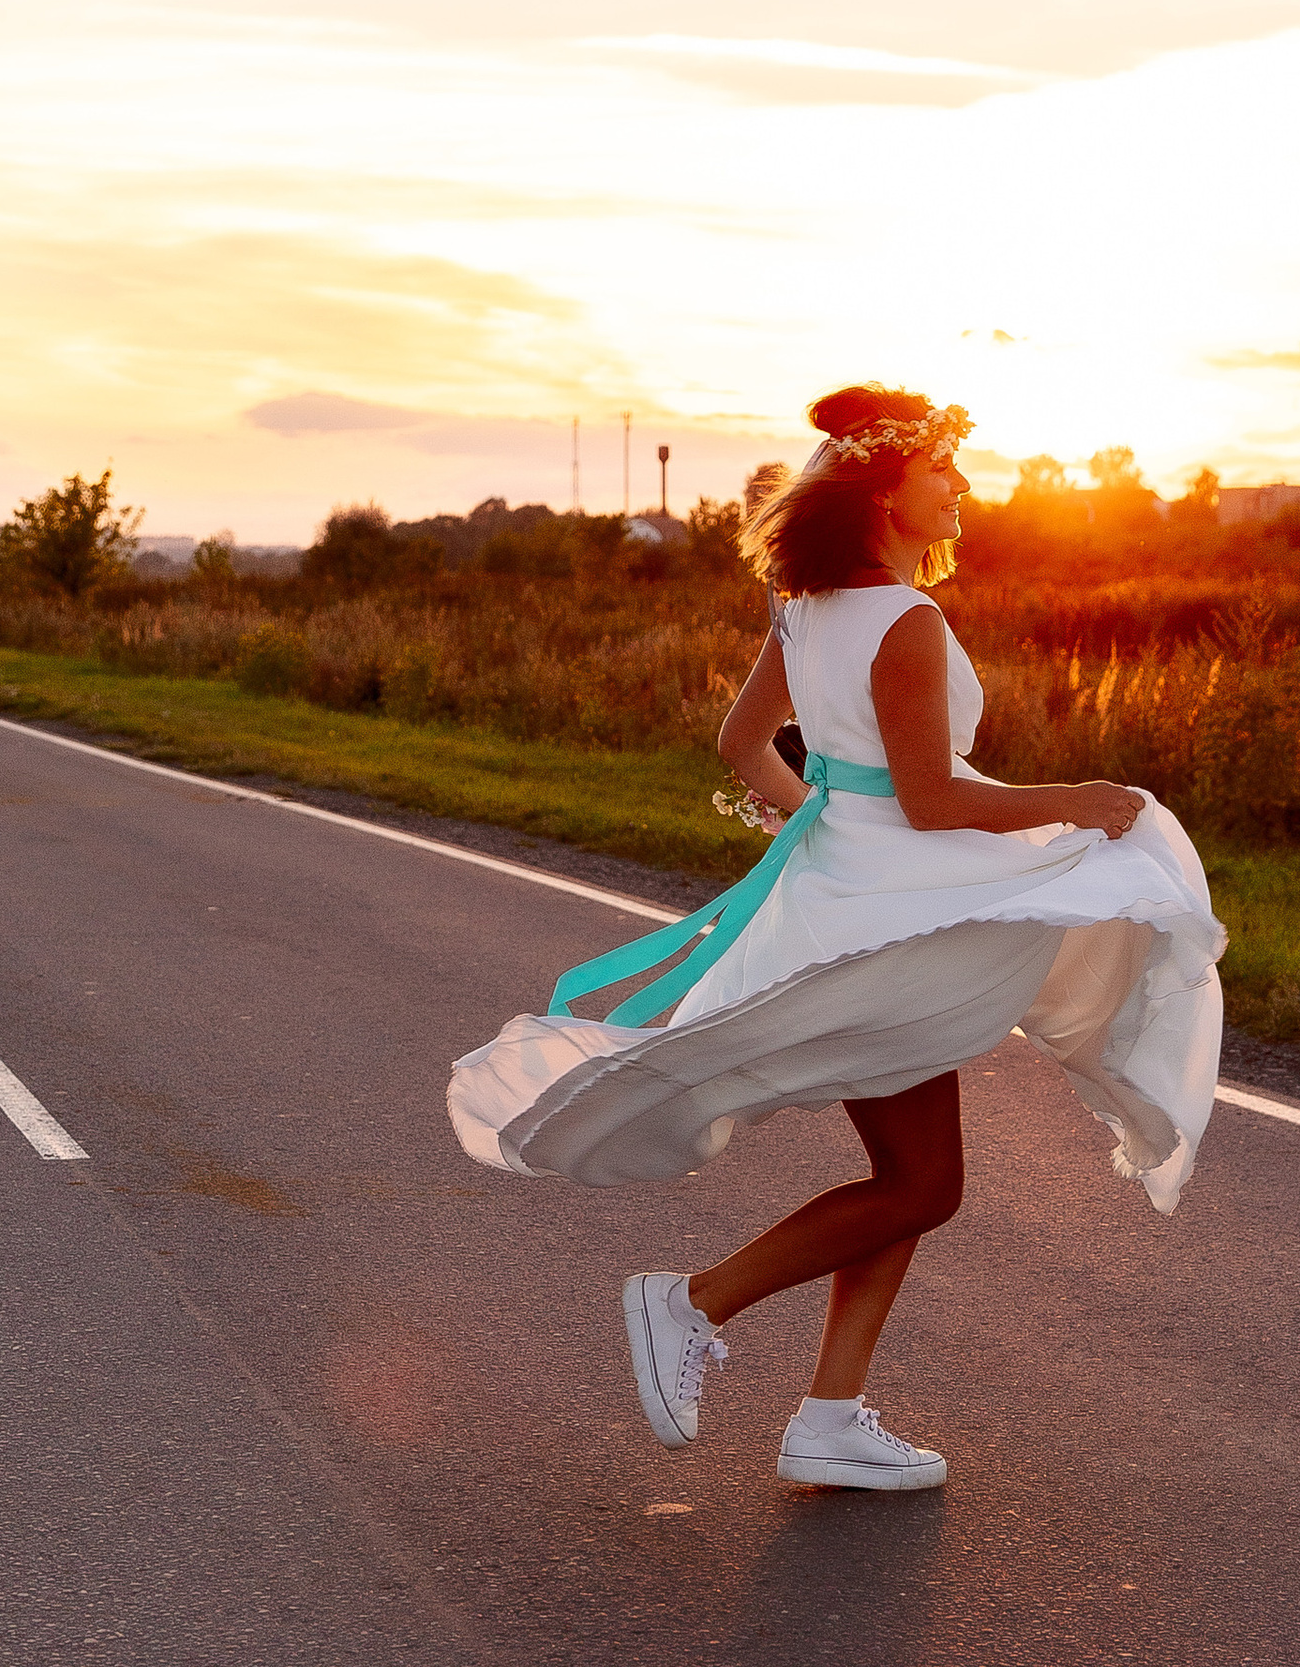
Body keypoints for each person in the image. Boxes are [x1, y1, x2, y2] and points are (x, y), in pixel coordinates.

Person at [446, 386, 1226, 1491]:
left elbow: (743, 741)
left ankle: (831, 1415)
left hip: (853, 897)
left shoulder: (801, 606)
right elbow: (931, 800)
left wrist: (809, 817)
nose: (961, 488)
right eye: (942, 471)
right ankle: (692, 1302)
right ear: (882, 490)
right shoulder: (905, 621)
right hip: (892, 915)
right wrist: (1082, 797)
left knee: (913, 1175)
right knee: (921, 1185)